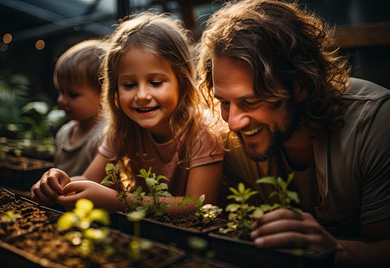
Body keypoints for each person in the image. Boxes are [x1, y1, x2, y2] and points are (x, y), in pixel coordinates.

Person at [198, 0, 389, 266]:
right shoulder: (229, 143)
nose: (234, 123)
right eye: (225, 103)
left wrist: (334, 250)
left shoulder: (375, 123)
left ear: (301, 86)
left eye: (250, 102)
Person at [31, 12, 225, 214]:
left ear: (182, 80)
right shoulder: (122, 130)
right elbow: (89, 179)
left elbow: (200, 205)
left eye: (156, 83)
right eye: (129, 85)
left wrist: (120, 201)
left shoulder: (203, 132)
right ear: (115, 89)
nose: (141, 95)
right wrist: (59, 182)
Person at [52, 39, 108, 176]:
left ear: (104, 94)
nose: (61, 100)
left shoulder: (104, 136)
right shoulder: (64, 133)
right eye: (60, 91)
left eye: (72, 94)